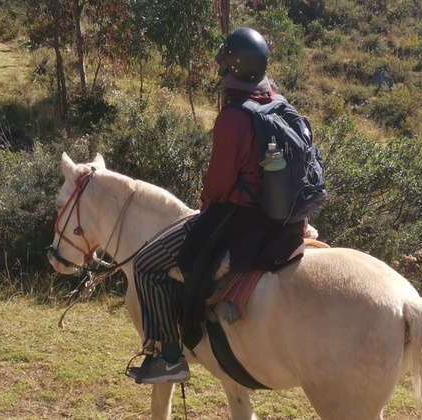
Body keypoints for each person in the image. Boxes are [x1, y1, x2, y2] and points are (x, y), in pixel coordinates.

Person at [127, 27, 307, 384]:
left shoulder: (233, 117)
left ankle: (169, 357)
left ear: (230, 70)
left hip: (240, 219)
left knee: (146, 264)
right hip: (283, 219)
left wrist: (205, 202)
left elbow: (218, 183)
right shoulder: (279, 103)